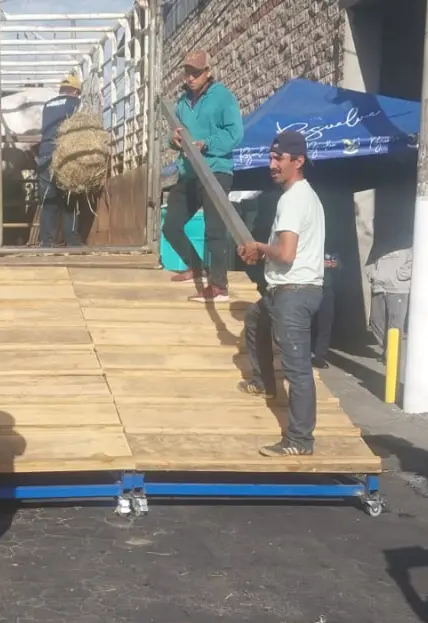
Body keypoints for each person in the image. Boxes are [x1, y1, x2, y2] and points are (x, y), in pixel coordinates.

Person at [237, 130, 325, 457]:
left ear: (297, 162)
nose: (272, 164)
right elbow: (289, 251)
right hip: (286, 289)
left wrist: (259, 247)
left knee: (297, 368)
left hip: (294, 292)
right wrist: (262, 253)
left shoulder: (294, 199)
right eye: (271, 157)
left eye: (279, 159)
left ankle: (300, 440)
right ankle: (263, 382)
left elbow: (286, 254)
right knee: (254, 318)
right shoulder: (302, 196)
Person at [163, 50, 244, 303]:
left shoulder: (223, 97)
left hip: (216, 169)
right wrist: (174, 141)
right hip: (189, 171)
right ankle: (196, 268)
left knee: (214, 228)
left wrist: (206, 144)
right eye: (188, 72)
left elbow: (235, 133)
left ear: (208, 72)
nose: (190, 77)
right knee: (171, 225)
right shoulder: (182, 101)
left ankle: (219, 286)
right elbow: (176, 133)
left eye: (196, 73)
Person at [36, 73, 83, 248]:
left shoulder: (47, 105)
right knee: (69, 199)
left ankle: (46, 243)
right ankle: (72, 241)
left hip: (45, 155)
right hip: (65, 156)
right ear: (75, 91)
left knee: (48, 201)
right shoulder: (76, 104)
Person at [365, 247, 413, 362]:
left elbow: (416, 261)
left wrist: (400, 275)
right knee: (375, 321)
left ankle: (391, 355)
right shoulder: (382, 242)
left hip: (398, 288)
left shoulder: (408, 241)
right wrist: (373, 274)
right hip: (379, 287)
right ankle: (387, 348)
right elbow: (371, 260)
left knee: (395, 324)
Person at [310, 249, 341, 369]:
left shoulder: (331, 248)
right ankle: (304, 355)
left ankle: (320, 357)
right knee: (306, 324)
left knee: (325, 325)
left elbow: (342, 267)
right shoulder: (308, 244)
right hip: (309, 287)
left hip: (327, 289)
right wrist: (319, 264)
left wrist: (336, 265)